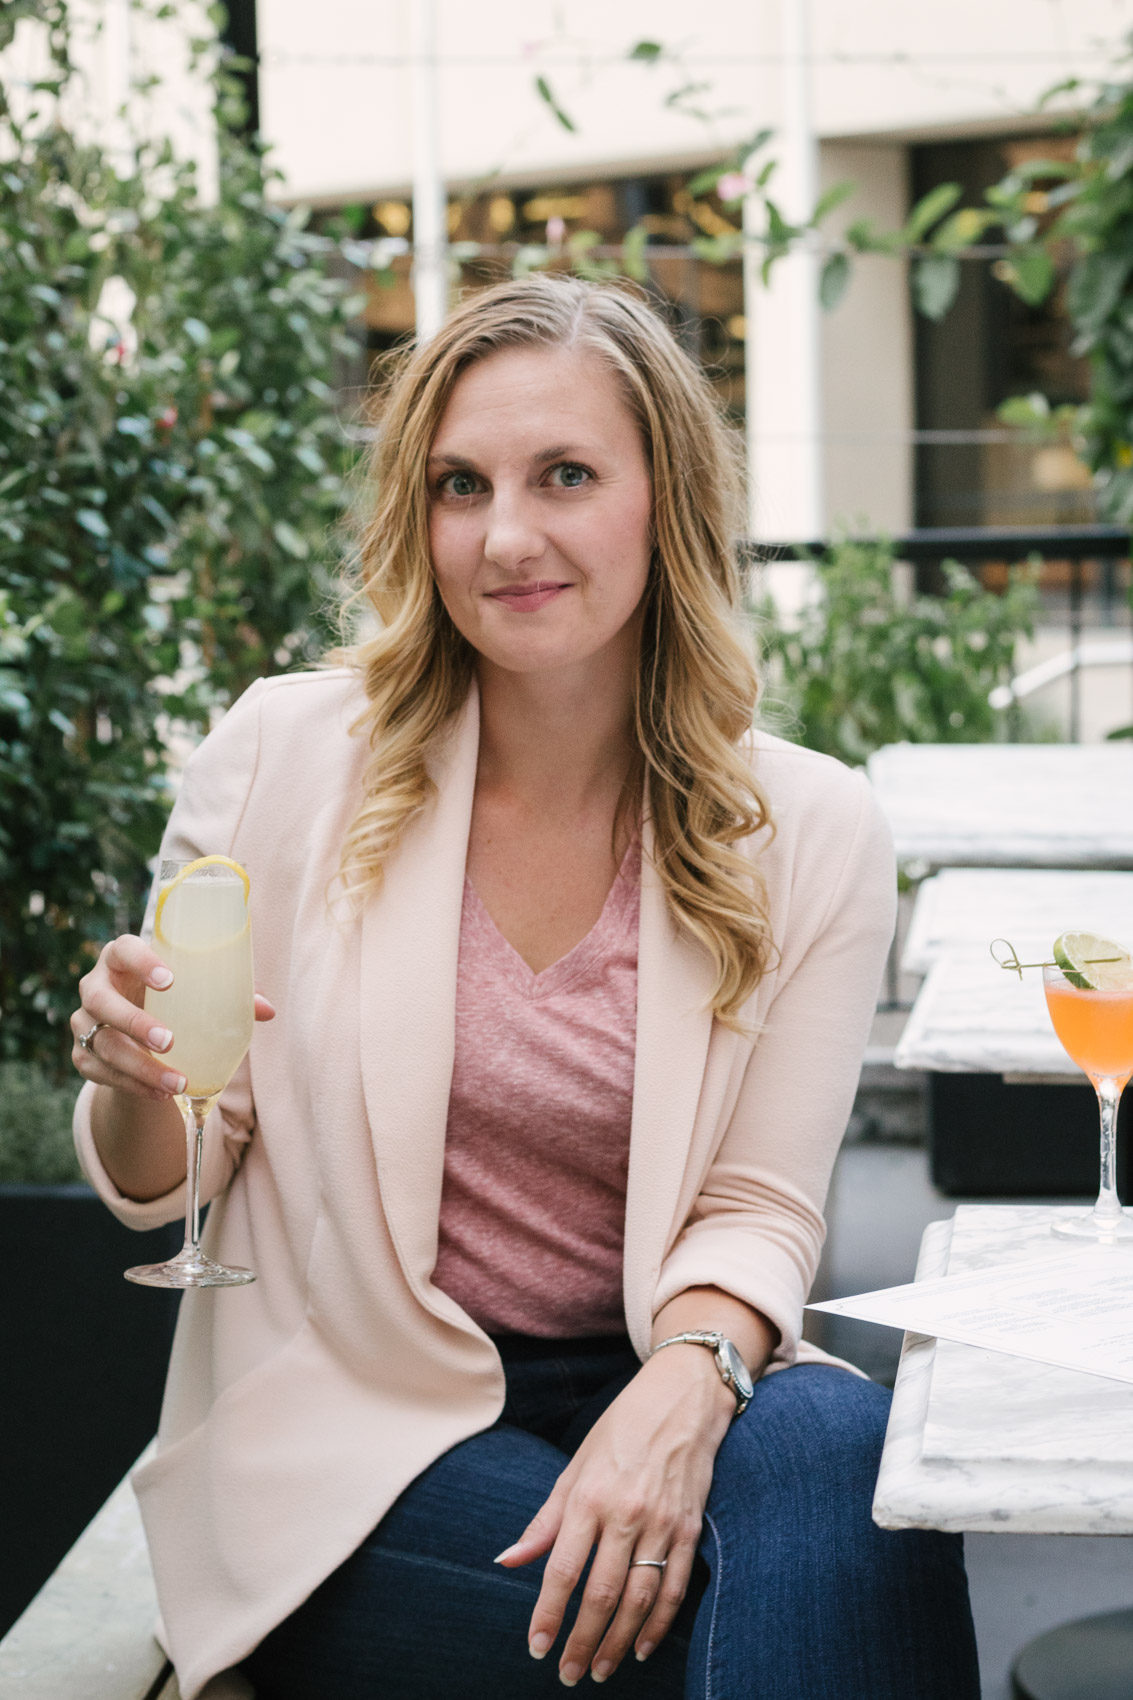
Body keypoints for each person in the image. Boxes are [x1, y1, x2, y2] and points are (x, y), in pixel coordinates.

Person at [70, 274, 979, 1700]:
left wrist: (684, 1386)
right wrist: (130, 1081)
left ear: (659, 499)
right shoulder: (285, 757)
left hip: (650, 1348)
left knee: (850, 1471)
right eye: (458, 485)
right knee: (750, 1632)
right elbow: (184, 1157)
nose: (505, 537)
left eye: (564, 475)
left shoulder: (806, 828)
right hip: (356, 1418)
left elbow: (756, 1206)